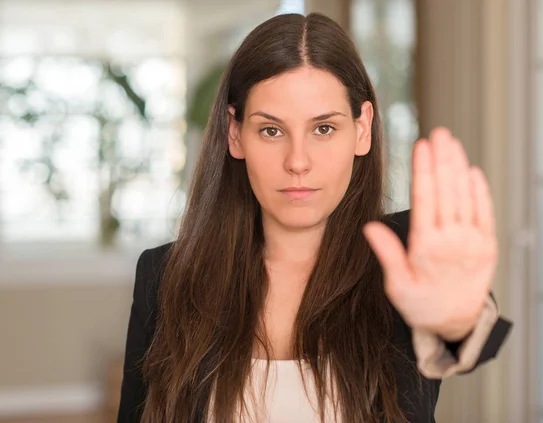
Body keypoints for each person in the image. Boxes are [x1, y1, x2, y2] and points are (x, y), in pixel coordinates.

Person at [117, 12, 512, 423]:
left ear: (362, 129)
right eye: (271, 130)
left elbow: (467, 337)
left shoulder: (408, 254)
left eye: (323, 128)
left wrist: (458, 321)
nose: (298, 161)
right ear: (235, 135)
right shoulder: (164, 276)